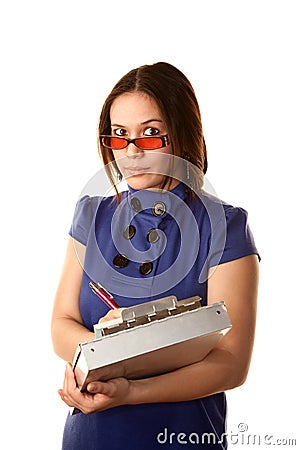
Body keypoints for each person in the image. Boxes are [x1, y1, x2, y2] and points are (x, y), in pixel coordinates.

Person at [52, 62, 260, 450]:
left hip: (179, 434)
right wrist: (103, 345)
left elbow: (232, 363)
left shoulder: (226, 226)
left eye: (150, 134)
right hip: (92, 433)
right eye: (119, 135)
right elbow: (62, 324)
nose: (131, 152)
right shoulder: (91, 215)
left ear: (181, 135)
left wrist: (129, 388)